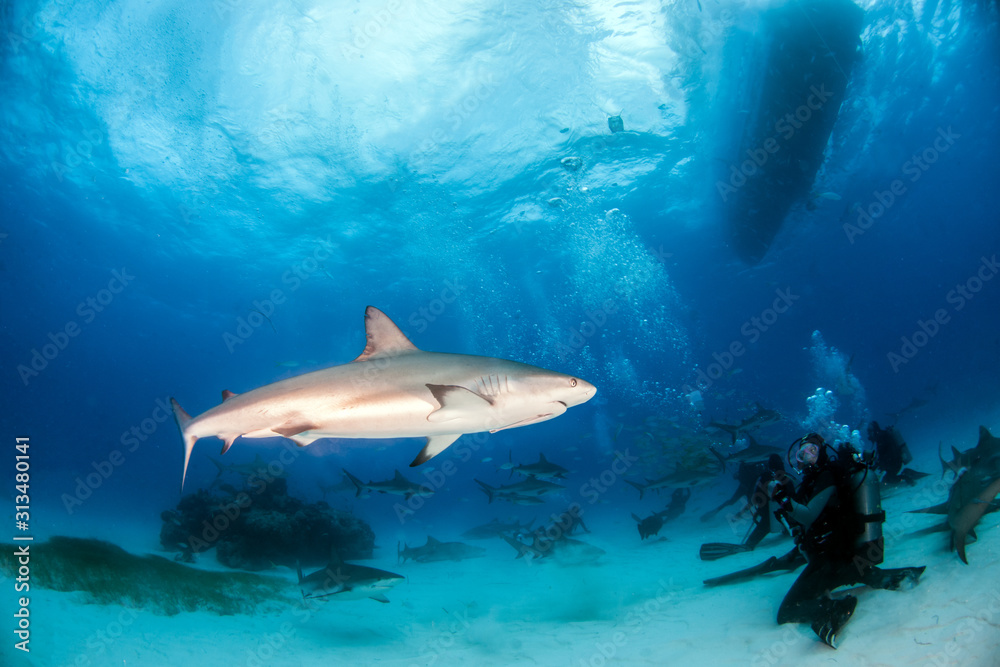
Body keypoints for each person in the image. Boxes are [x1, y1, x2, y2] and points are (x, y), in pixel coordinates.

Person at [769, 433, 926, 649]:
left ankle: (835, 608)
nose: (807, 457)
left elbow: (808, 515)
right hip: (842, 554)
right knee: (846, 574)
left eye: (813, 451)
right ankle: (891, 576)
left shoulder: (826, 476)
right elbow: (802, 521)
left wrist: (786, 502)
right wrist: (786, 505)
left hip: (830, 556)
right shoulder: (812, 481)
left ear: (822, 452)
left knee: (786, 612)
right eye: (803, 453)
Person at [700, 455, 792, 560]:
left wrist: (743, 514)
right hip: (785, 517)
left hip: (767, 520)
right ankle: (787, 531)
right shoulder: (787, 479)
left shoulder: (765, 478)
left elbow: (754, 501)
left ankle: (749, 544)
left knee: (751, 541)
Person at [866, 421, 928, 485]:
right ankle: (905, 473)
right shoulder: (882, 436)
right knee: (886, 479)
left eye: (869, 432)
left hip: (894, 463)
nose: (869, 435)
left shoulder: (881, 437)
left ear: (873, 431)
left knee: (888, 481)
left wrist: (877, 466)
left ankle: (906, 476)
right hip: (895, 462)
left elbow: (885, 454)